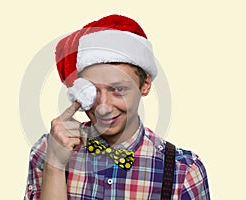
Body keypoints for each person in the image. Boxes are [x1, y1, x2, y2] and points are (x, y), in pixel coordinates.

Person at [24, 14, 210, 200]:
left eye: (119, 89)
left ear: (145, 85)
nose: (103, 107)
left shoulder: (184, 171)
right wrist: (55, 164)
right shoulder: (47, 150)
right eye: (92, 90)